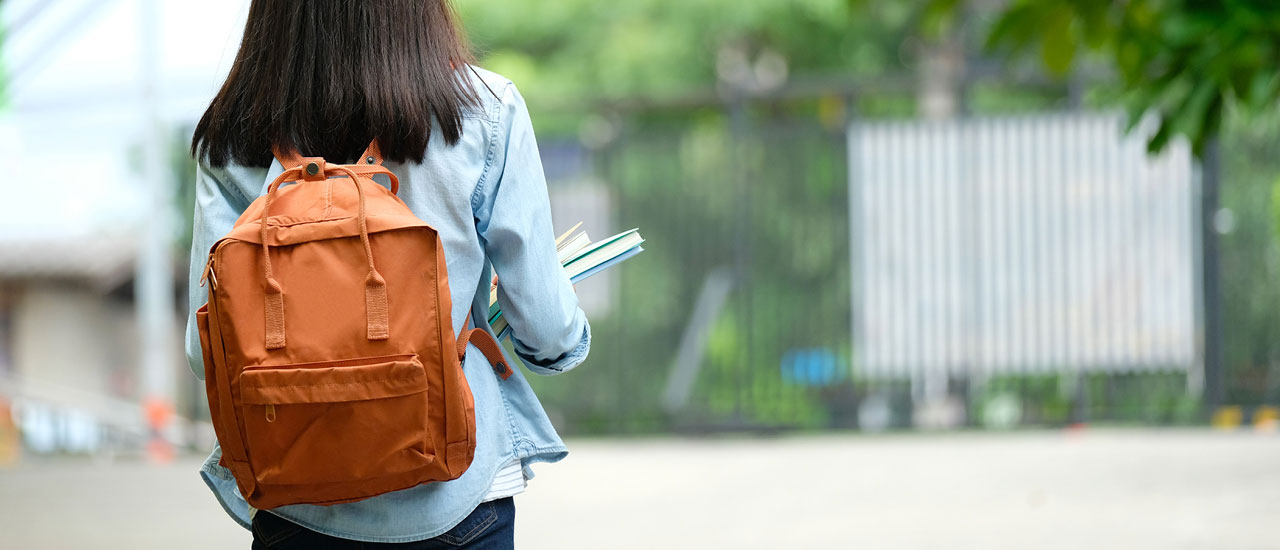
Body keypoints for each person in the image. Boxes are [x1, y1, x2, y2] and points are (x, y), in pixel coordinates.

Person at [184, 1, 591, 548]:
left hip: (295, 498)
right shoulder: (483, 111)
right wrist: (555, 342)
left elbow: (203, 349)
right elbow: (546, 328)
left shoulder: (234, 134)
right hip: (459, 495)